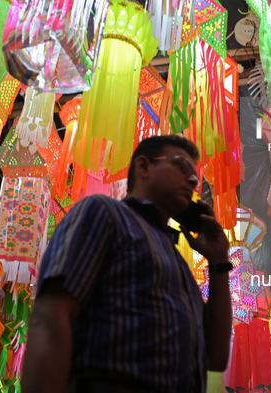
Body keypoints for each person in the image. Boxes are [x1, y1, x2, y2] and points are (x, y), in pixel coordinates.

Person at [21, 135, 232, 393]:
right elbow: (52, 314)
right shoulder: (104, 212)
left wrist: (219, 262)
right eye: (182, 167)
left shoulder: (177, 262)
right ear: (143, 167)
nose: (192, 180)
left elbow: (216, 357)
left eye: (195, 175)